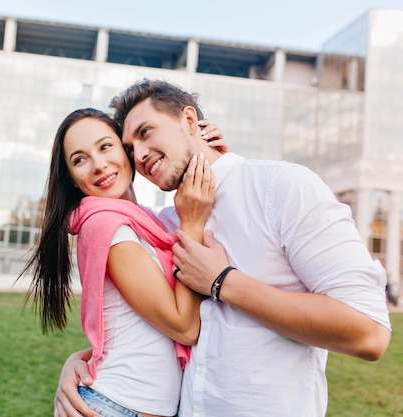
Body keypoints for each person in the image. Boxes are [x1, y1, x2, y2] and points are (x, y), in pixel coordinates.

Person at [54, 80, 392, 417]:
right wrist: (80, 361)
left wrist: (222, 281)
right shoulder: (169, 223)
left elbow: (369, 333)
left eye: (146, 132)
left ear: (190, 121)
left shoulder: (281, 187)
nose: (139, 155)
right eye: (129, 148)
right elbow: (147, 325)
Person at [21, 107, 227, 417]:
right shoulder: (108, 228)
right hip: (114, 406)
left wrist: (211, 155)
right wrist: (191, 225)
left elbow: (134, 330)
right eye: (80, 159)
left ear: (127, 150)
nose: (98, 165)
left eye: (105, 146)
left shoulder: (145, 221)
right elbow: (184, 327)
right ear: (72, 178)